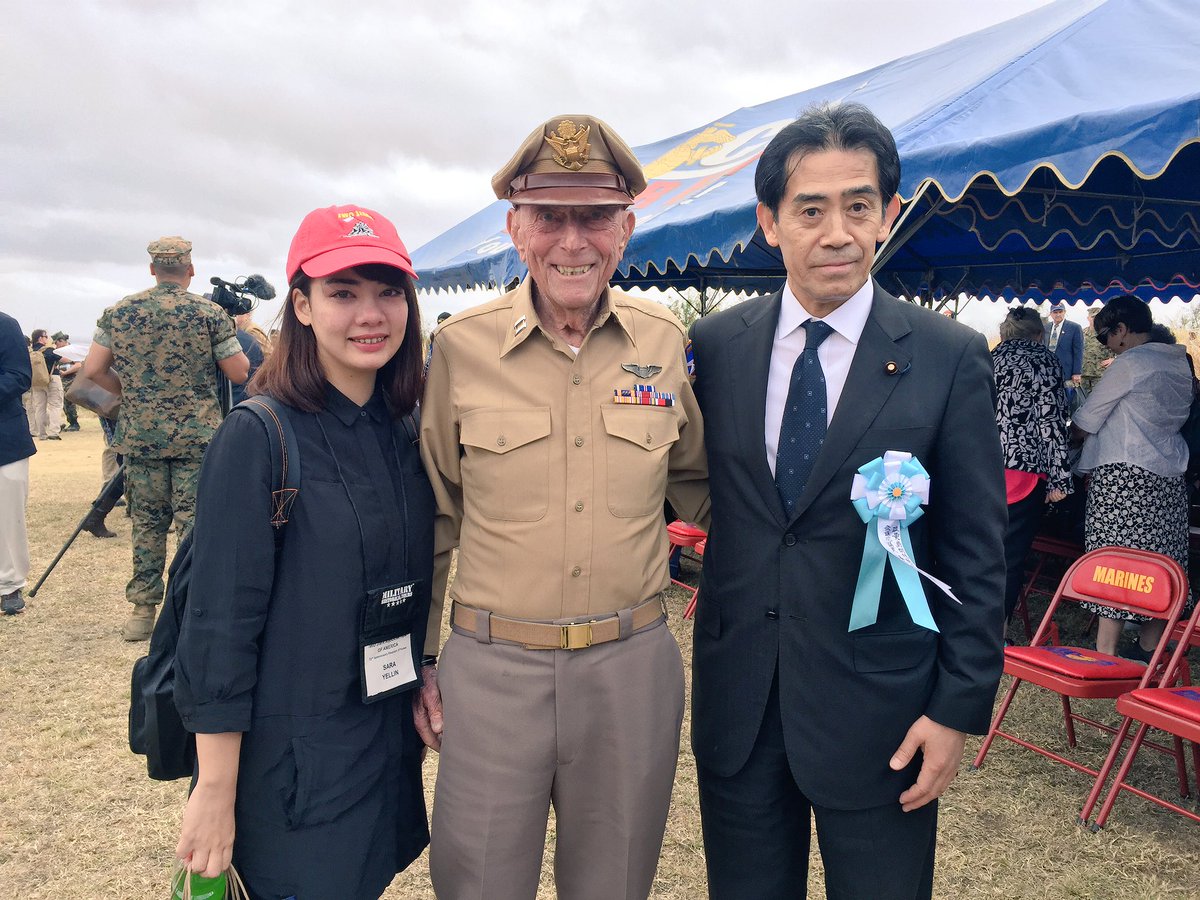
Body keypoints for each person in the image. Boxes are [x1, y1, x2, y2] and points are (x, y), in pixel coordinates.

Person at [688, 101, 1006, 900]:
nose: (837, 232)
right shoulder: (718, 349)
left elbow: (975, 549)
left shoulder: (947, 358)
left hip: (885, 712)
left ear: (888, 215)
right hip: (742, 708)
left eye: (858, 206)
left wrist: (956, 708)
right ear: (769, 222)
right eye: (811, 209)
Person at [417, 114, 709, 900]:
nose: (572, 242)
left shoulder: (663, 341)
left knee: (613, 885)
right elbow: (434, 516)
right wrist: (422, 656)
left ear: (628, 228)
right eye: (550, 217)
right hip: (493, 672)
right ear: (515, 227)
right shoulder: (460, 347)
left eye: (595, 218)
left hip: (630, 670)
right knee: (478, 883)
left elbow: (704, 488)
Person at [174, 205, 433, 898]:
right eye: (342, 293)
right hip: (289, 764)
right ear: (302, 306)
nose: (370, 313)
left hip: (379, 744)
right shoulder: (258, 437)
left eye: (388, 291)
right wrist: (215, 792)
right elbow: (219, 629)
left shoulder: (407, 429)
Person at [81, 236, 250, 640]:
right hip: (198, 439)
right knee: (195, 526)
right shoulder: (207, 312)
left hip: (141, 439)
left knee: (147, 524)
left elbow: (92, 370)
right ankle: (191, 606)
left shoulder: (120, 312)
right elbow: (239, 372)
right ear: (190, 270)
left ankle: (142, 612)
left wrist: (133, 396)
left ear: (152, 270)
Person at [1071, 295, 1192, 660]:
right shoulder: (1177, 363)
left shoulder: (1131, 364)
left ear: (1122, 330)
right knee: (1162, 562)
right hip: (1168, 472)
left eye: (1104, 336)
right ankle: (1150, 647)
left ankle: (1105, 651)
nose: (1104, 344)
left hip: (1124, 473)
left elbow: (1087, 420)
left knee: (1115, 561)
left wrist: (1066, 436)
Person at [992, 307, 1072, 625]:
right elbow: (1051, 422)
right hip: (1023, 473)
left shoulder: (986, 358)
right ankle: (995, 634)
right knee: (1008, 559)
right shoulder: (1044, 361)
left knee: (974, 553)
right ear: (1039, 335)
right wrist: (1060, 481)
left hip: (978, 470)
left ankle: (960, 627)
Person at [1, 312, 36, 616]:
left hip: (4, 438)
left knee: (7, 514)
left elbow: (18, 377)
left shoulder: (5, 325)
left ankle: (9, 584)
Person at [27, 329, 61, 440]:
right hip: (51, 378)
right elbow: (63, 359)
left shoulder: (30, 352)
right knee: (55, 405)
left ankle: (41, 433)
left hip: (36, 382)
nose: (47, 339)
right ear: (40, 338)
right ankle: (53, 432)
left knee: (39, 407)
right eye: (46, 337)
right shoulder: (49, 350)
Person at [1045, 301, 1083, 395]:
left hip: (1067, 373)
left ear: (1064, 312)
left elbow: (1078, 351)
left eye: (1060, 312)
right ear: (1051, 314)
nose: (1058, 314)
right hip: (1048, 372)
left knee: (1067, 401)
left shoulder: (1074, 328)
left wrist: (1077, 372)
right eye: (1055, 312)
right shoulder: (1045, 328)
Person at [1080, 305, 1114, 394]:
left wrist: (1113, 359)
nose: (1095, 319)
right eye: (1093, 317)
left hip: (1100, 374)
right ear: (1088, 318)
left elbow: (1120, 348)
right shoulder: (1081, 333)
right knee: (1082, 402)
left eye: (1097, 317)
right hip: (1084, 374)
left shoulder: (1106, 334)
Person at [52, 332, 81, 431]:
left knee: (68, 399)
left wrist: (66, 372)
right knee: (63, 401)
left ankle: (74, 422)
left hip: (72, 378)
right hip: (62, 379)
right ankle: (69, 422)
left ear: (61, 341)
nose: (56, 345)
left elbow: (78, 365)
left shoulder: (71, 350)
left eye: (56, 343)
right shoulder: (59, 352)